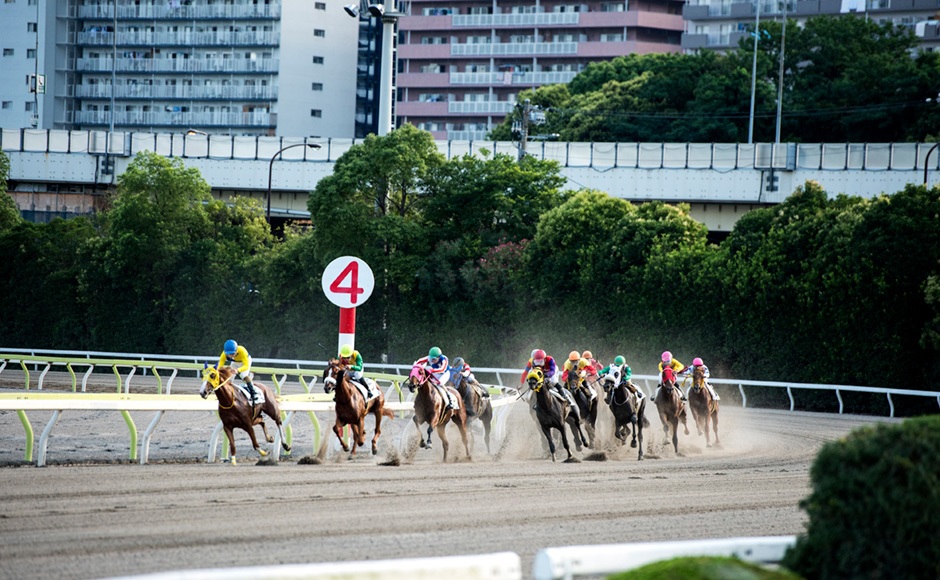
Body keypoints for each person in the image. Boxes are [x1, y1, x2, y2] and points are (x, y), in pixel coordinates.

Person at [217, 339, 258, 406]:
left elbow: (246, 366)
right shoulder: (224, 354)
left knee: (243, 375)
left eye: (233, 353)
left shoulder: (242, 351)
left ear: (236, 350)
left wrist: (238, 370)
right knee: (229, 377)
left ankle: (253, 393)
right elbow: (219, 367)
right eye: (229, 354)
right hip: (235, 362)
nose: (231, 356)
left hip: (245, 362)